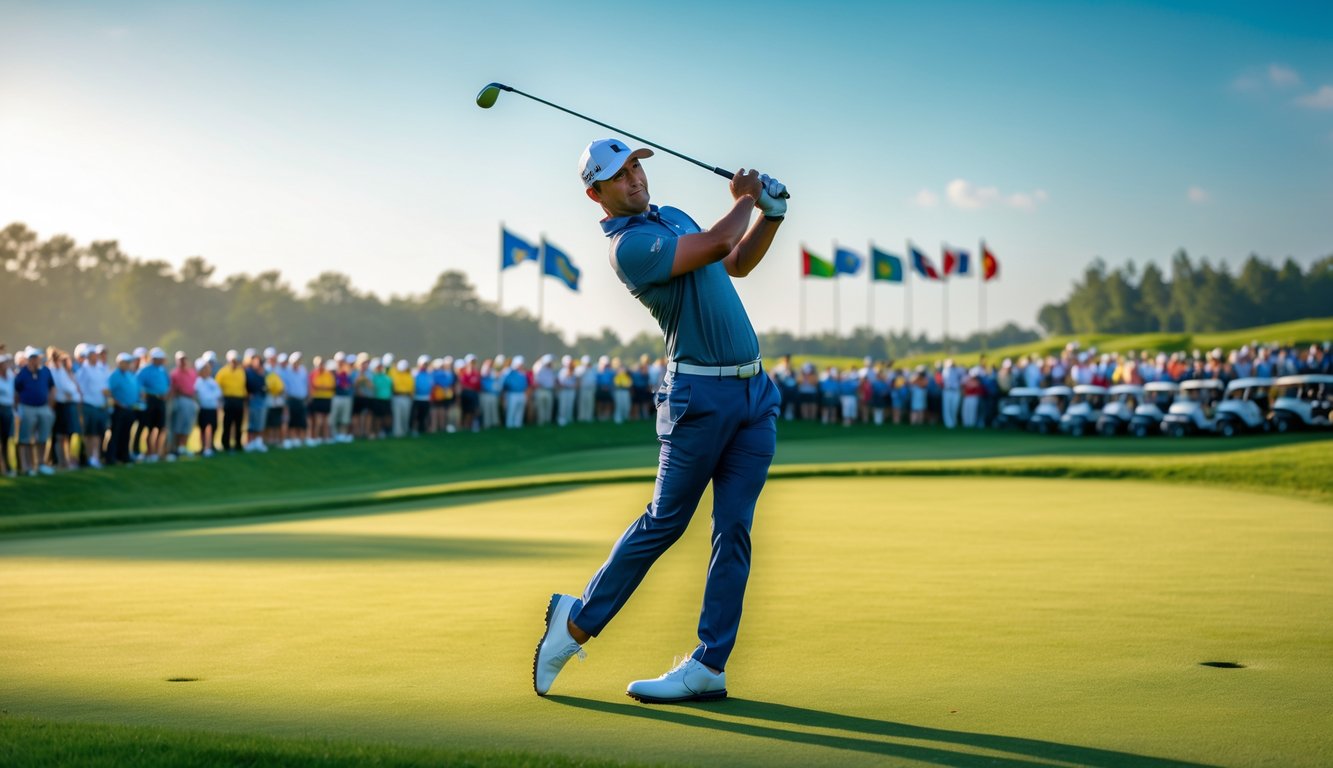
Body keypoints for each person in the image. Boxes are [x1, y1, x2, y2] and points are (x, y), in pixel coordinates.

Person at [534, 138, 785, 704]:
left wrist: (770, 217)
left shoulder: (672, 215)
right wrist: (747, 197)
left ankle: (709, 664)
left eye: (635, 167)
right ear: (596, 194)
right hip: (697, 396)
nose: (635, 179)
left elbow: (735, 261)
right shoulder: (628, 247)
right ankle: (576, 623)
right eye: (620, 176)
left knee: (734, 529)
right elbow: (719, 240)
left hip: (754, 395)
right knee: (665, 521)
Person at [14, 347, 57, 476]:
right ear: (30, 359)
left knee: (43, 437)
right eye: (36, 358)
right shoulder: (22, 373)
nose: (38, 360)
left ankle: (41, 464)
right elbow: (16, 392)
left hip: (44, 408)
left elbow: (52, 388)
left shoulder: (45, 371)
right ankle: (27, 466)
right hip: (27, 408)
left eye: (39, 358)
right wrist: (17, 408)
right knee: (26, 439)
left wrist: (50, 406)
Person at [106, 352, 143, 466]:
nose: (128, 364)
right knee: (116, 433)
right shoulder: (114, 375)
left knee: (126, 433)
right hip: (119, 408)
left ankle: (124, 456)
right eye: (126, 362)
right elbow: (109, 392)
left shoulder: (130, 375)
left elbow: (137, 390)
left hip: (130, 409)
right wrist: (118, 403)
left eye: (129, 362)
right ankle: (111, 457)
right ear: (119, 363)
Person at [168, 351, 199, 459]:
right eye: (180, 360)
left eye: (184, 359)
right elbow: (172, 390)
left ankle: (183, 447)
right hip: (180, 399)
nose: (182, 362)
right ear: (177, 361)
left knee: (188, 425)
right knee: (178, 426)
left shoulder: (192, 373)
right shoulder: (174, 374)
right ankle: (174, 449)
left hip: (191, 400)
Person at [216, 350, 247, 452]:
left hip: (239, 400)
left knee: (239, 423)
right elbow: (217, 386)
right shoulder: (222, 372)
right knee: (227, 423)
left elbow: (243, 386)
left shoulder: (241, 371)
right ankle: (226, 444)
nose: (234, 362)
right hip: (228, 399)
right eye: (233, 360)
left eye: (236, 360)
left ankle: (238, 444)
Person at [195, 358, 221, 457]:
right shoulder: (198, 382)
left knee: (213, 427)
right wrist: (211, 397)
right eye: (204, 369)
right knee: (203, 428)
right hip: (203, 408)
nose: (207, 371)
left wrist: (210, 397)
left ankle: (210, 446)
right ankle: (203, 447)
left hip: (213, 408)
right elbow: (202, 396)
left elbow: (218, 392)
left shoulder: (211, 381)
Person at [0, 352, 15, 477]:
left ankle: (7, 466)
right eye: (4, 363)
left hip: (8, 409)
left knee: (6, 440)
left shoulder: (10, 376)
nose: (6, 365)